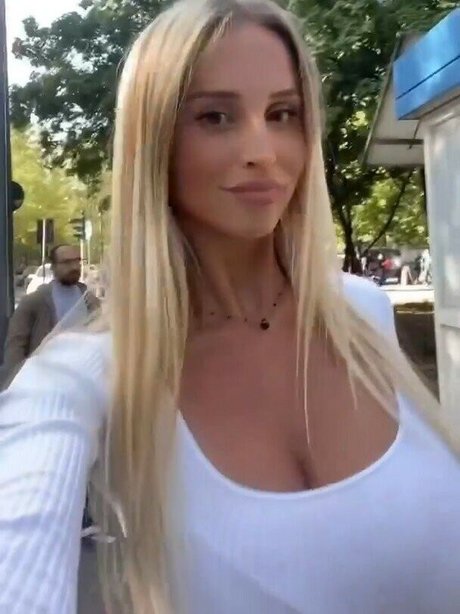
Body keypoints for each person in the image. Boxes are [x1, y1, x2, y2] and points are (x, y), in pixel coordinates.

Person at [1, 1, 460, 613]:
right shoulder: (87, 376)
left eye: (282, 114)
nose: (262, 150)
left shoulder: (363, 311)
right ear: (156, 142)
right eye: (215, 116)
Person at [2, 244, 99, 385]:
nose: (74, 267)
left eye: (77, 261)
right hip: (44, 381)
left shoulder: (90, 300)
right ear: (53, 267)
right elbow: (15, 346)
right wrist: (16, 382)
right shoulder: (35, 301)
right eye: (67, 262)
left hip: (83, 379)